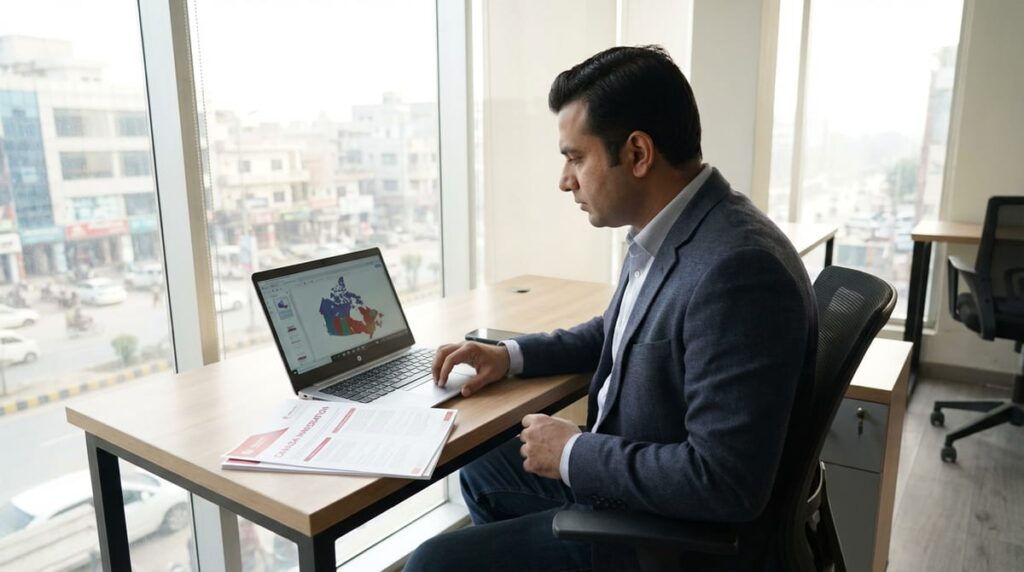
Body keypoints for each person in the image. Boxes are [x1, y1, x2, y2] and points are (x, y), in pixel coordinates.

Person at [404, 45, 817, 572]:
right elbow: (619, 331)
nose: (565, 180)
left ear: (639, 154)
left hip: (668, 538)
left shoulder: (737, 270)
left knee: (431, 563)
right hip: (636, 485)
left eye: (576, 157)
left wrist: (573, 453)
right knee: (484, 469)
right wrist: (507, 355)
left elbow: (726, 482)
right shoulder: (672, 229)